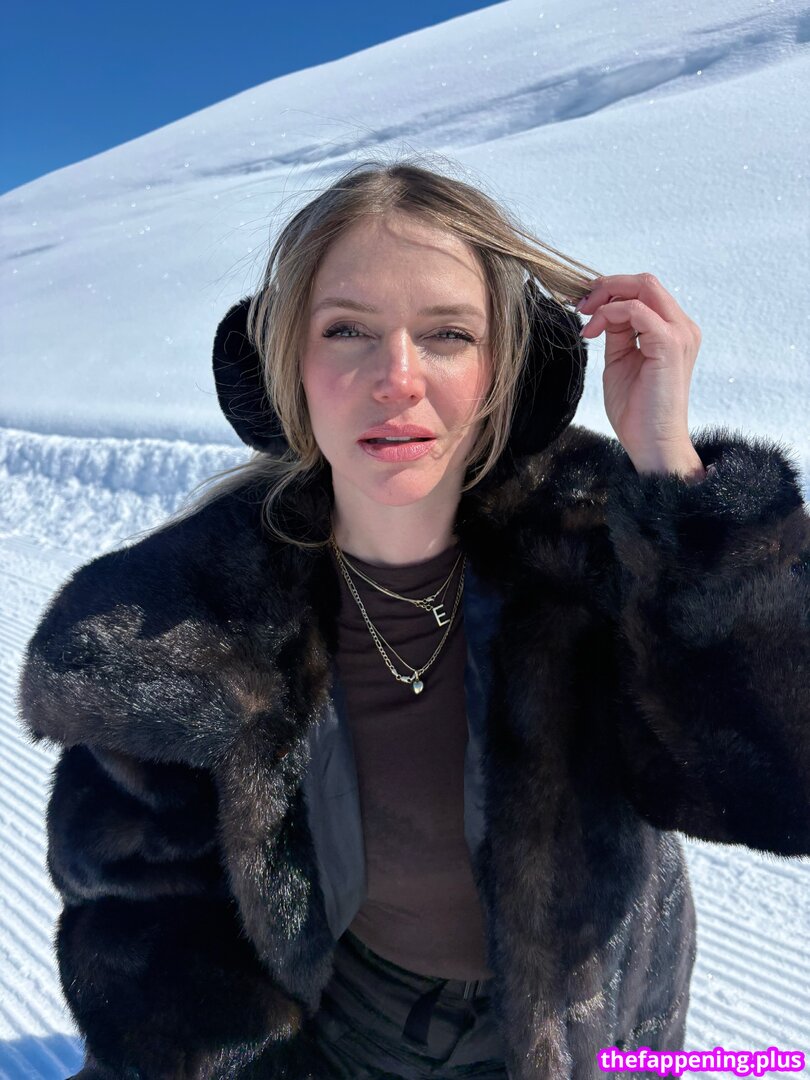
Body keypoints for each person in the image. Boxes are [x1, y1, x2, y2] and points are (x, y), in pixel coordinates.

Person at [17, 159, 809, 1080]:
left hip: (594, 1039)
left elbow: (782, 785)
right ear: (285, 365)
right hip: (337, 1042)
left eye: (447, 334)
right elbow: (148, 944)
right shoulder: (178, 629)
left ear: (505, 369)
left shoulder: (604, 555)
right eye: (347, 330)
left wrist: (674, 481)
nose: (397, 378)